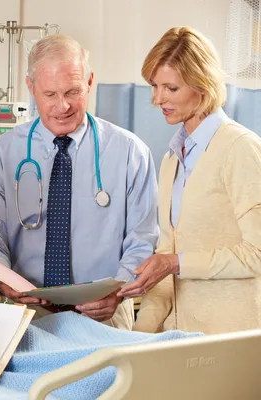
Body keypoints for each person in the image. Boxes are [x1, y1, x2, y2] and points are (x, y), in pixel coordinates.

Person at [0, 34, 158, 329]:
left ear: (89, 82)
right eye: (50, 94)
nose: (63, 106)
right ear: (31, 88)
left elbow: (141, 239)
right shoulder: (2, 155)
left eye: (73, 92)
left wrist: (117, 292)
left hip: (104, 309)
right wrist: (3, 282)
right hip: (25, 309)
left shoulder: (130, 152)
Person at [118, 27, 261, 334]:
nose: (158, 99)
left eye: (170, 88)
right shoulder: (172, 159)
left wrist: (176, 262)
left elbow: (257, 254)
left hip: (233, 336)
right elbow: (166, 261)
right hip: (181, 337)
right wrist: (138, 336)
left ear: (202, 85)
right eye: (154, 86)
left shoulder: (240, 148)